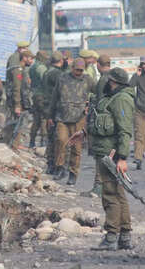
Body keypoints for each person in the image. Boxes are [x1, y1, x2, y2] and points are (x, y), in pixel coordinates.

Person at [69, 67, 135, 250]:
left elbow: (124, 131)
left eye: (109, 80)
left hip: (111, 155)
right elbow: (102, 121)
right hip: (105, 152)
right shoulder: (111, 98)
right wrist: (84, 133)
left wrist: (122, 158)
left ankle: (112, 236)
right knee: (118, 194)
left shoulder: (121, 100)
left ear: (114, 82)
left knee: (110, 195)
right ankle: (125, 236)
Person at [48, 57, 94, 185]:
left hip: (79, 118)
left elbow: (96, 94)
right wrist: (50, 116)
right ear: (72, 68)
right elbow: (54, 97)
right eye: (76, 70)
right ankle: (60, 167)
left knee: (76, 147)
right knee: (61, 141)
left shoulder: (88, 80)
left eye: (81, 70)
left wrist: (89, 106)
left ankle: (73, 173)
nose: (78, 72)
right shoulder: (62, 78)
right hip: (62, 116)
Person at [81, 54, 112, 197]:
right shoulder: (115, 78)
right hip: (112, 121)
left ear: (99, 65)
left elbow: (100, 103)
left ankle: (98, 186)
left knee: (100, 154)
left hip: (102, 122)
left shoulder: (102, 81)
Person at [5, 49, 34, 149]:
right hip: (18, 102)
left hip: (21, 102)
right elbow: (16, 88)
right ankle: (13, 145)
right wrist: (17, 105)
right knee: (17, 124)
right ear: (24, 58)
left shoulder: (22, 70)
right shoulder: (18, 70)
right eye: (30, 58)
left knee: (20, 124)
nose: (32, 61)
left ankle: (15, 144)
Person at [42, 51, 64, 174]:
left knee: (51, 138)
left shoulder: (47, 72)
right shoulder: (58, 74)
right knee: (58, 138)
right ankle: (56, 165)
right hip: (55, 109)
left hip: (47, 108)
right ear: (61, 61)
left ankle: (50, 164)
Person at [29, 50, 49, 148]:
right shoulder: (41, 67)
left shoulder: (33, 66)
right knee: (44, 118)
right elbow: (45, 80)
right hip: (42, 95)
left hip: (35, 95)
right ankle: (43, 141)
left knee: (36, 119)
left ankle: (32, 141)